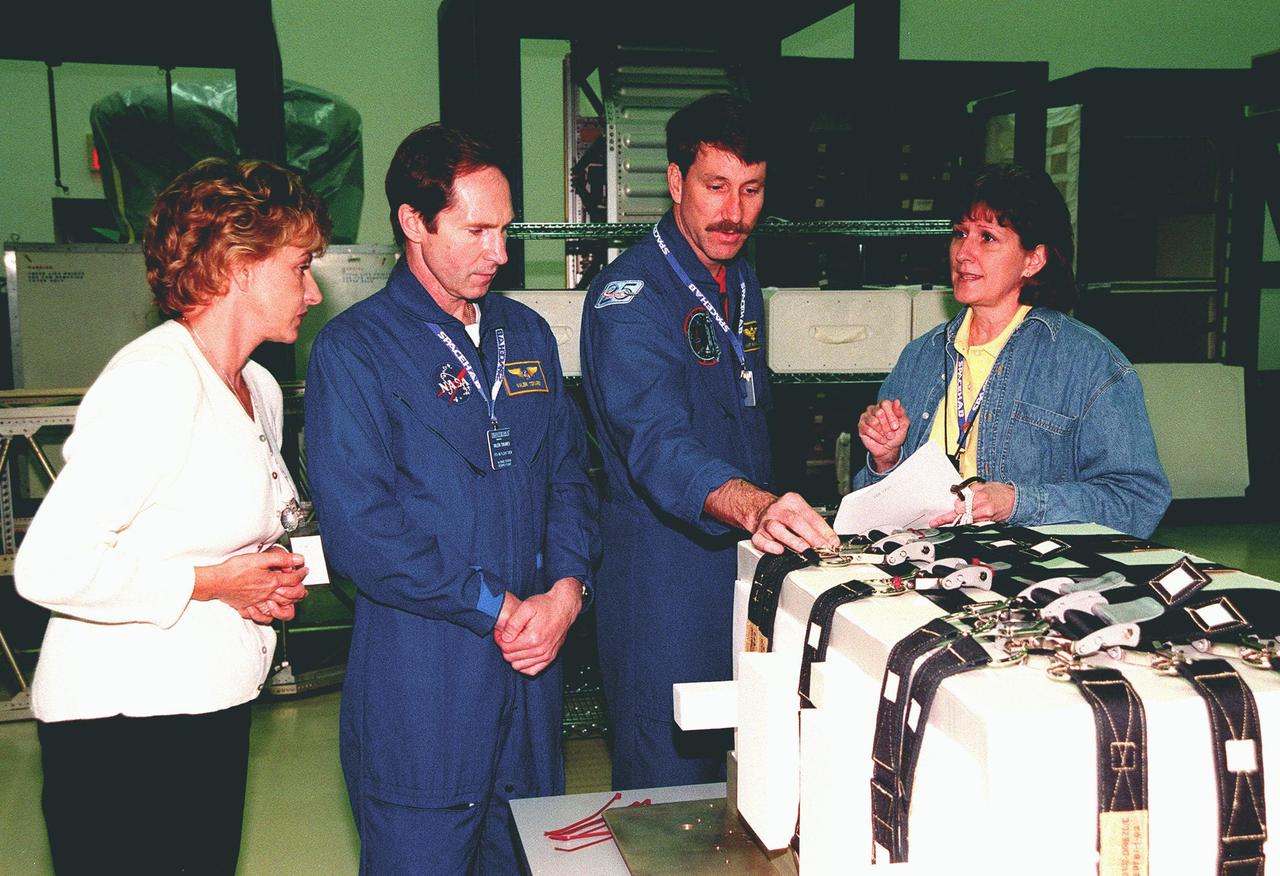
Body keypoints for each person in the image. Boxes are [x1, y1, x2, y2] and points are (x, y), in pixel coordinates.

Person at [15, 157, 326, 874]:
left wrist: (267, 581)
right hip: (121, 729)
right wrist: (215, 584)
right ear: (240, 267)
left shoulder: (257, 388)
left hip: (209, 702)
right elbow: (50, 567)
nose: (312, 290)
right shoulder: (154, 382)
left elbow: (232, 532)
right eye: (301, 265)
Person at [304, 124, 598, 874]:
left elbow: (569, 476)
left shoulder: (527, 335)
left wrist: (567, 589)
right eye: (476, 230)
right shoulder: (356, 352)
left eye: (505, 230)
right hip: (423, 687)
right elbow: (364, 535)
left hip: (531, 686)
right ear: (413, 221)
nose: (499, 253)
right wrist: (497, 609)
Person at [580, 93, 840, 791]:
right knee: (671, 782)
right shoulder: (631, 300)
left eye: (751, 190)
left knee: (746, 769)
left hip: (744, 567)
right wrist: (756, 506)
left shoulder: (741, 279)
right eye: (715, 187)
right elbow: (659, 446)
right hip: (664, 581)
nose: (734, 212)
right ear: (674, 182)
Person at [855, 163, 1171, 538]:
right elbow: (872, 506)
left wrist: (1017, 502)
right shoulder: (919, 358)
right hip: (928, 569)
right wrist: (884, 459)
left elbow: (1136, 501)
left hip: (1037, 584)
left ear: (1033, 260)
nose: (963, 254)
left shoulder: (1089, 363)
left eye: (987, 238)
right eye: (960, 234)